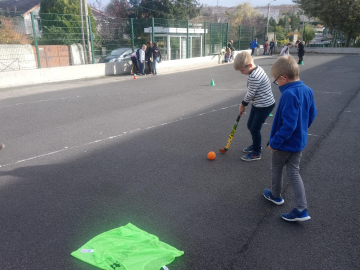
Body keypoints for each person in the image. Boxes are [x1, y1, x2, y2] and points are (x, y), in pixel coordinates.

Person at [263, 55, 317, 222]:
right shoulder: (308, 90)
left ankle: (276, 196)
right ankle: (302, 208)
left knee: (277, 168)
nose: (277, 83)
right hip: (299, 143)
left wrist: (275, 142)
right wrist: (303, 128)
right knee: (294, 172)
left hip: (284, 144)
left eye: (276, 80)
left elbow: (288, 126)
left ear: (283, 78)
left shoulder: (289, 94)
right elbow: (312, 114)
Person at [233, 51, 275, 161]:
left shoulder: (254, 76)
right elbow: (253, 92)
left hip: (264, 105)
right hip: (259, 104)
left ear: (250, 65)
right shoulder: (257, 69)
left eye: (242, 70)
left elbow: (250, 93)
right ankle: (256, 144)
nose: (242, 73)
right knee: (250, 125)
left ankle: (257, 152)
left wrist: (242, 105)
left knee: (255, 129)